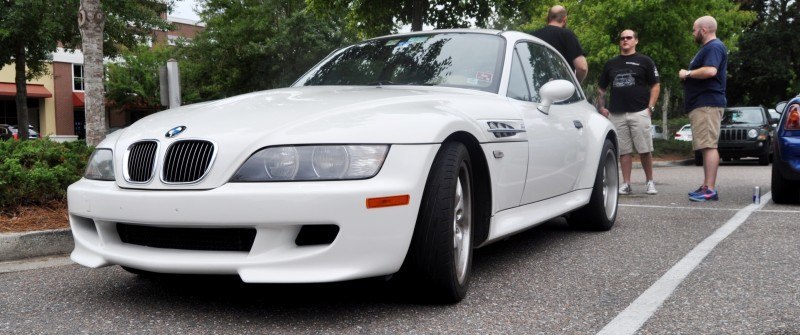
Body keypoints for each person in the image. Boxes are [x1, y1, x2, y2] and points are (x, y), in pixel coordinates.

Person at [597, 30, 661, 195]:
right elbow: (601, 88)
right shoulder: (611, 63)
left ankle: (650, 182)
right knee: (624, 151)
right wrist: (601, 107)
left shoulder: (645, 61)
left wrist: (651, 107)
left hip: (639, 111)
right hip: (616, 113)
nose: (625, 40)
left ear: (636, 41)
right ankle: (626, 183)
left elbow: (655, 85)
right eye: (622, 38)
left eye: (629, 37)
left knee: (645, 149)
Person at [679, 16, 728, 202]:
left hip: (707, 103)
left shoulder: (714, 46)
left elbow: (710, 71)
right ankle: (707, 186)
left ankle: (710, 189)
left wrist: (688, 73)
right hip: (703, 103)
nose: (693, 33)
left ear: (703, 30)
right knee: (706, 145)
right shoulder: (710, 48)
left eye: (694, 29)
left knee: (708, 146)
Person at [532, 5, 588, 83]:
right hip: (562, 91)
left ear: (548, 18)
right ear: (564, 20)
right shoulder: (567, 35)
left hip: (534, 88)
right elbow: (582, 67)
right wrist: (575, 84)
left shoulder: (532, 36)